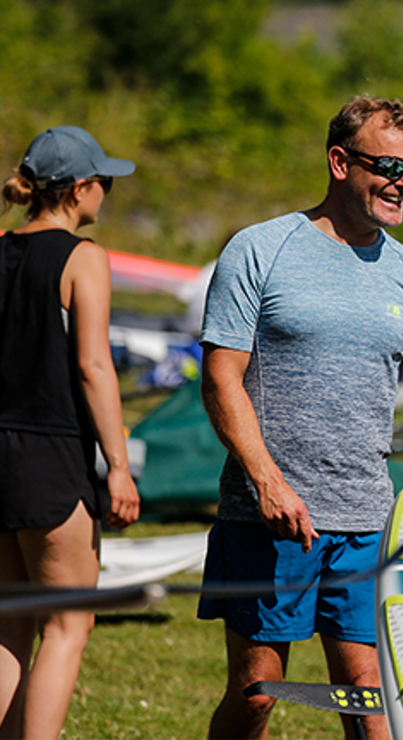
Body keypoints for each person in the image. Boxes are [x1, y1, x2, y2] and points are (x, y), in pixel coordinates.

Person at [197, 96, 403, 740]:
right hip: (268, 519)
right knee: (258, 694)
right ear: (340, 161)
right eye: (388, 165)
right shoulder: (260, 249)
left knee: (369, 703)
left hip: (367, 523)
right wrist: (266, 479)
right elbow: (219, 377)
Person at [0, 126, 141, 740]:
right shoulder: (84, 258)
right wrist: (120, 466)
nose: (105, 195)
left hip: (0, 456)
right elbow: (92, 366)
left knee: (9, 627)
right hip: (51, 457)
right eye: (103, 183)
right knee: (66, 625)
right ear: (80, 188)